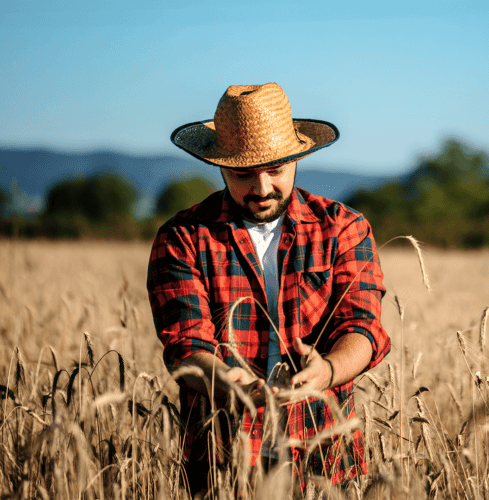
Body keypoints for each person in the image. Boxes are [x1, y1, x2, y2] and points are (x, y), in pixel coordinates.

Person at [146, 83, 390, 495]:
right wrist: (230, 383)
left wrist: (327, 371)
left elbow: (362, 327)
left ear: (298, 158)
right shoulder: (183, 237)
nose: (261, 187)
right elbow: (186, 345)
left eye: (275, 169)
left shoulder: (344, 229)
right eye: (243, 173)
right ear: (219, 165)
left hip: (324, 456)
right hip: (223, 459)